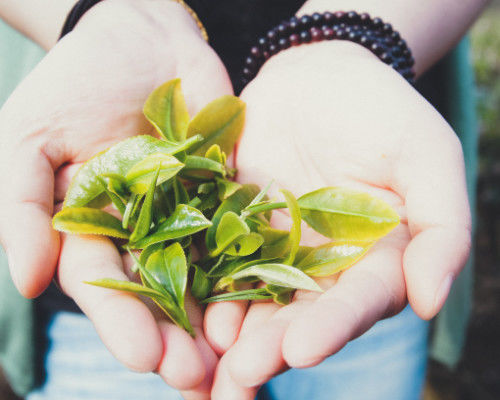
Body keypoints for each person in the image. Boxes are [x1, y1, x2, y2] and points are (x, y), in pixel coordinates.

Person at [0, 0, 487, 399]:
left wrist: (351, 34)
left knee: (332, 332)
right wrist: (105, 12)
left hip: (359, 200)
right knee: (145, 348)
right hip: (112, 290)